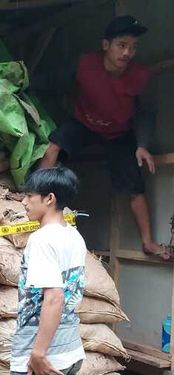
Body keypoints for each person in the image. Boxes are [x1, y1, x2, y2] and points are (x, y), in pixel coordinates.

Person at [38, 15, 169, 260]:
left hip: (119, 133)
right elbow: (52, 82)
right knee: (53, 146)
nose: (128, 52)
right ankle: (35, 194)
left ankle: (148, 242)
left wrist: (142, 145)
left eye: (133, 47)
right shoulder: (84, 65)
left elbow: (147, 112)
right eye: (122, 45)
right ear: (106, 45)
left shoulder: (140, 76)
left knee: (135, 186)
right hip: (83, 123)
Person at [7, 167, 87, 375]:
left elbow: (53, 297)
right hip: (70, 350)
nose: (24, 201)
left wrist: (37, 353)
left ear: (49, 199)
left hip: (40, 354)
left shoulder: (42, 240)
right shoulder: (74, 236)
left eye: (29, 195)